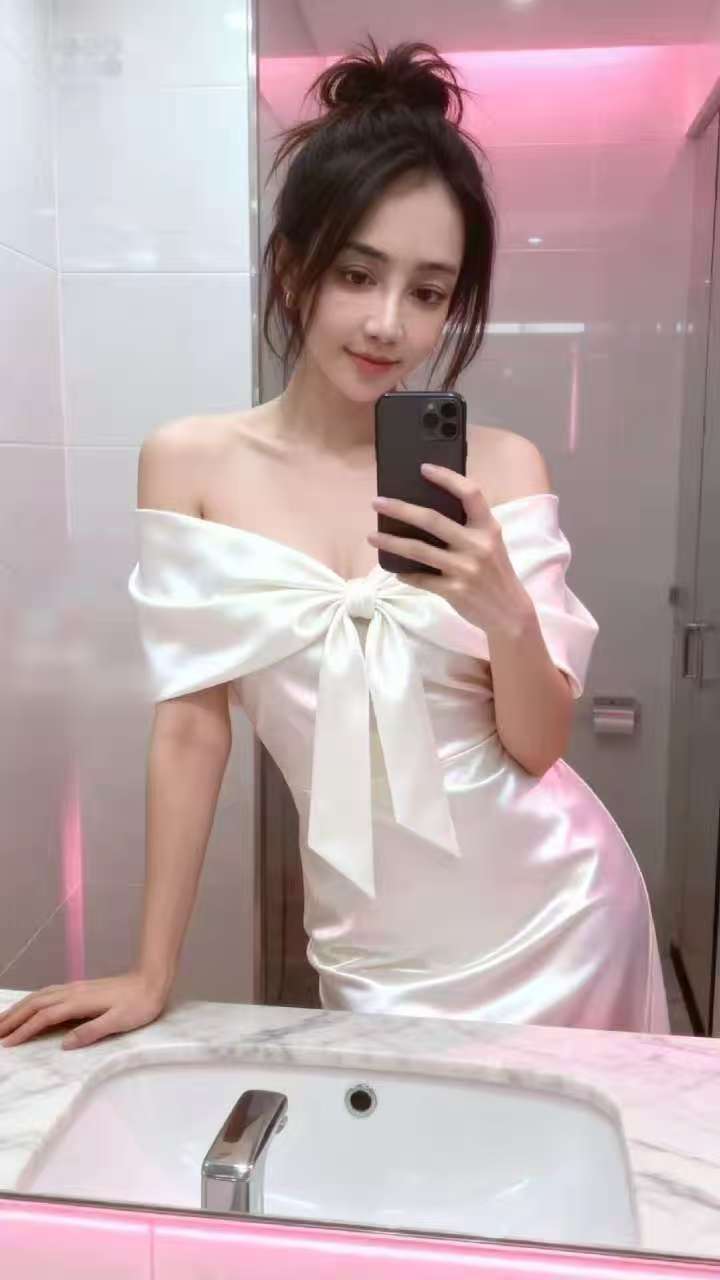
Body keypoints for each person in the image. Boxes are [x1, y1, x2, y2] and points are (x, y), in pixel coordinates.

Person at [0, 40, 668, 1051]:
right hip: (374, 950)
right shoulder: (191, 464)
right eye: (358, 273)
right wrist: (151, 969)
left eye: (429, 292)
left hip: (563, 920)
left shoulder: (504, 467)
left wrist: (506, 611)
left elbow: (537, 747)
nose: (388, 323)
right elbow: (193, 729)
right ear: (292, 267)